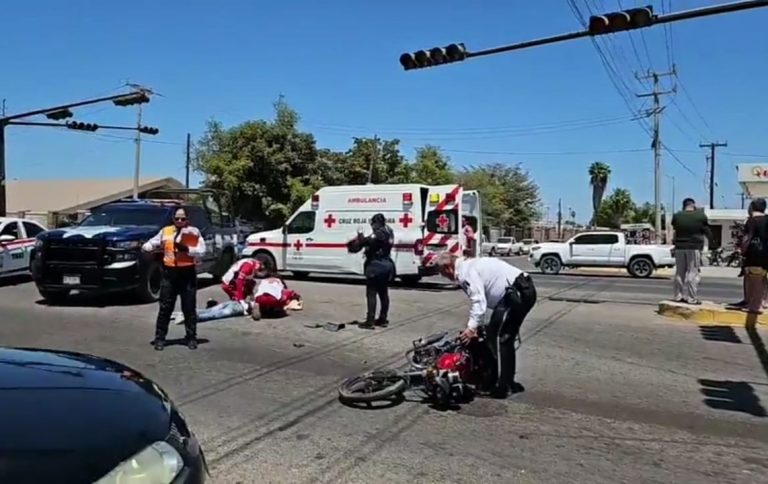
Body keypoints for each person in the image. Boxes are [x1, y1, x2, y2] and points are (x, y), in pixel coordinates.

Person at [435, 252, 537, 399]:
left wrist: (471, 328)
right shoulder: (468, 266)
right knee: (491, 334)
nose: (444, 277)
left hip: (517, 292)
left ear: (448, 267)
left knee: (504, 339)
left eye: (442, 273)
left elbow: (478, 301)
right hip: (516, 291)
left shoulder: (465, 272)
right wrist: (476, 327)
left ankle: (505, 386)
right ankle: (493, 380)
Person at [142, 207, 206, 351]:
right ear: (173, 219)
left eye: (182, 218)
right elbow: (154, 242)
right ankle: (160, 338)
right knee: (165, 307)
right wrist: (147, 247)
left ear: (187, 219)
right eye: (177, 218)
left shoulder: (193, 232)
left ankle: (191, 337)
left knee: (189, 307)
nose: (179, 221)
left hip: (187, 273)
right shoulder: (166, 231)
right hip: (169, 273)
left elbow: (202, 250)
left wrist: (188, 250)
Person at [347, 213, 395, 329]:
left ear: (376, 223)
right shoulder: (389, 232)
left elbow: (364, 242)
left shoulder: (378, 234)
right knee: (383, 293)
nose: (372, 226)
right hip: (387, 265)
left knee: (371, 293)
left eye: (373, 223)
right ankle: (383, 318)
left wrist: (360, 235)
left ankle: (370, 321)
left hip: (376, 266)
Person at [671, 198, 712, 305]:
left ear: (683, 206)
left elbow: (675, 231)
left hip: (679, 247)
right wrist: (713, 243)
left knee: (679, 273)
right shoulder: (700, 216)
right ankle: (691, 298)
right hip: (694, 247)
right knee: (692, 272)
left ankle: (678, 296)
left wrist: (674, 244)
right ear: (693, 205)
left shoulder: (677, 216)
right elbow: (707, 231)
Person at [739, 198, 768, 314]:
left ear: (752, 207)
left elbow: (748, 237)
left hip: (755, 252)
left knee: (755, 278)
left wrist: (743, 249)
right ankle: (764, 302)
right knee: (763, 278)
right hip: (766, 252)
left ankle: (755, 305)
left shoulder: (752, 220)